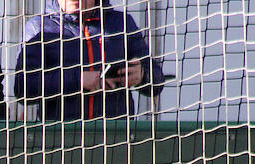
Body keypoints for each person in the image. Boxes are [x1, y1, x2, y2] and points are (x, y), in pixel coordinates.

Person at [13, 0, 165, 120]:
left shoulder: (122, 24)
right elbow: (23, 88)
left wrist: (143, 75)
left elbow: (157, 81)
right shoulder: (39, 28)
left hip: (115, 137)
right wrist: (78, 80)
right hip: (60, 138)